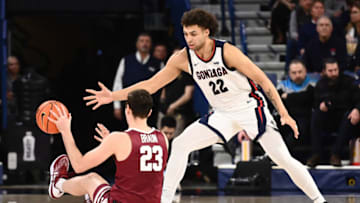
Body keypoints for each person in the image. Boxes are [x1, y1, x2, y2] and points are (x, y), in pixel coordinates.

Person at [84, 8, 328, 203]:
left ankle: (318, 200)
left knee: (283, 159)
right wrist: (113, 96)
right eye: (185, 34)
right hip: (221, 114)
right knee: (179, 144)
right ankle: (166, 200)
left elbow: (263, 79)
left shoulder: (227, 52)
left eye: (193, 33)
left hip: (250, 109)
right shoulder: (182, 58)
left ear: (207, 32)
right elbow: (150, 84)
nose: (188, 39)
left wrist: (283, 113)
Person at [48, 89, 168, 203]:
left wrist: (65, 131)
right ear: (150, 112)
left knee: (90, 180)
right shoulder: (163, 138)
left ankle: (58, 185)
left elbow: (78, 165)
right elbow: (138, 169)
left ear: (127, 109)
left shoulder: (119, 138)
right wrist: (114, 148)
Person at [306, 58, 360, 167]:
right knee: (316, 115)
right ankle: (316, 154)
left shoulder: (348, 81)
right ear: (324, 71)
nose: (334, 73)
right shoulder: (321, 84)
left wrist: (357, 109)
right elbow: (316, 103)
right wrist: (321, 105)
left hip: (346, 117)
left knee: (348, 117)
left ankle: (335, 155)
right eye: (330, 71)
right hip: (329, 118)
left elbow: (358, 98)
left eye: (336, 70)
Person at [112, 32, 163, 130]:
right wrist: (116, 105)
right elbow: (118, 83)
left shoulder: (158, 63)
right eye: (142, 41)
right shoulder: (126, 61)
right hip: (129, 107)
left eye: (147, 41)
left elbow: (163, 85)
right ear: (137, 44)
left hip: (151, 108)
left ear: (151, 44)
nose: (144, 44)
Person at [277, 59, 318, 158]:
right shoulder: (283, 85)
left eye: (300, 72)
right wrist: (299, 98)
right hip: (286, 116)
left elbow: (309, 97)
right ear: (289, 74)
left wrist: (289, 97)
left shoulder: (313, 84)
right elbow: (278, 100)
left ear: (305, 72)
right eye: (294, 73)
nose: (297, 75)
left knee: (298, 128)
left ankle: (280, 156)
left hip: (305, 118)